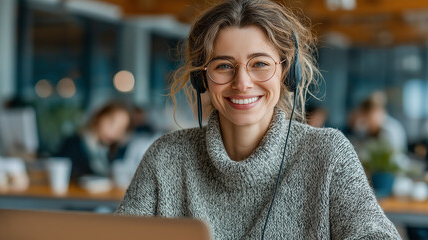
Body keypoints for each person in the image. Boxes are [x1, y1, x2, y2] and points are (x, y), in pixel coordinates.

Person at [116, 0, 400, 239]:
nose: (242, 83)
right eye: (224, 65)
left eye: (260, 64)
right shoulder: (166, 157)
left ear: (286, 73)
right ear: (202, 78)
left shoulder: (327, 153)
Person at [57, 102, 133, 179]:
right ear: (99, 117)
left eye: (121, 128)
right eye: (112, 122)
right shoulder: (72, 144)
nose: (115, 131)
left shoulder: (114, 151)